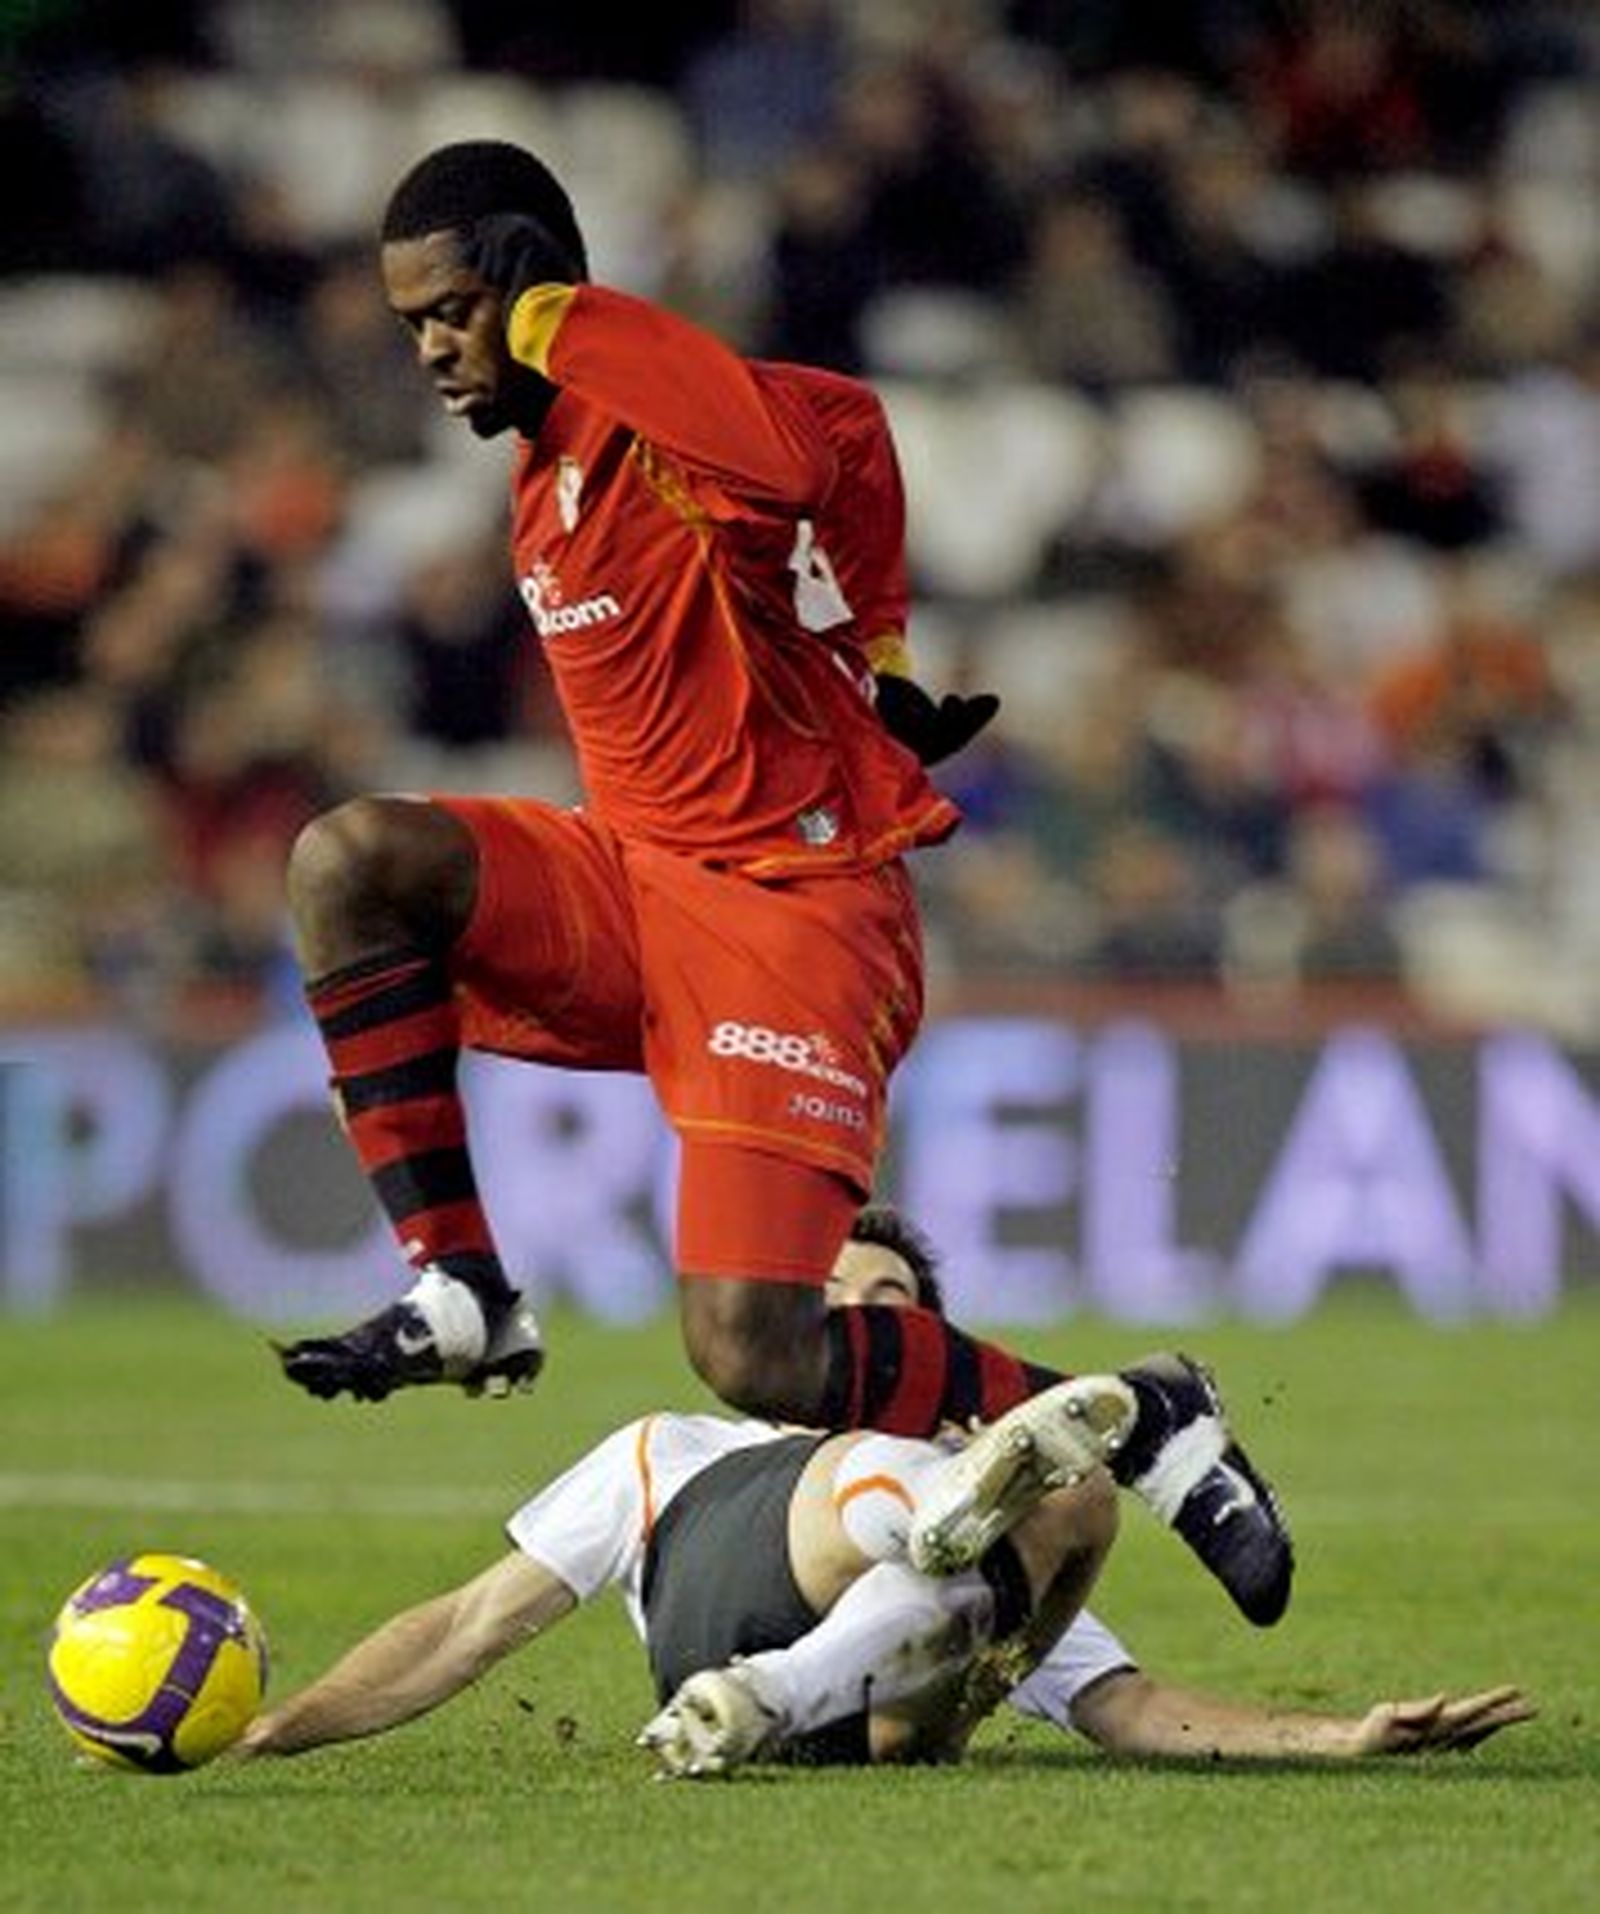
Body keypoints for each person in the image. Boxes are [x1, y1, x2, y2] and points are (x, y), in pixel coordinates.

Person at [270, 137, 1290, 1628]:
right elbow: (859, 432)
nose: (430, 349)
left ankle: (1146, 1415)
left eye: (451, 311)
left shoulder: (666, 426)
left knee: (749, 1349)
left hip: (788, 911)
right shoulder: (544, 473)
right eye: (409, 322)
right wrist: (880, 653)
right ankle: (464, 1289)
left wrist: (558, 317)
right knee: (350, 861)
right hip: (635, 880)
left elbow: (802, 455)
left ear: (524, 280)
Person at [240, 1213, 1532, 1775]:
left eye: (892, 1306)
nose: (858, 1320)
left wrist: (1337, 1736)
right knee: (917, 1482)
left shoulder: (999, 1508)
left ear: (929, 1334)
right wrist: (275, 1728)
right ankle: (803, 1652)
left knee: (1070, 1512)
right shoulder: (661, 1446)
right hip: (730, 1578)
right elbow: (469, 1624)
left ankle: (774, 1697)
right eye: (833, 1300)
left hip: (893, 1712)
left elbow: (1128, 1706)